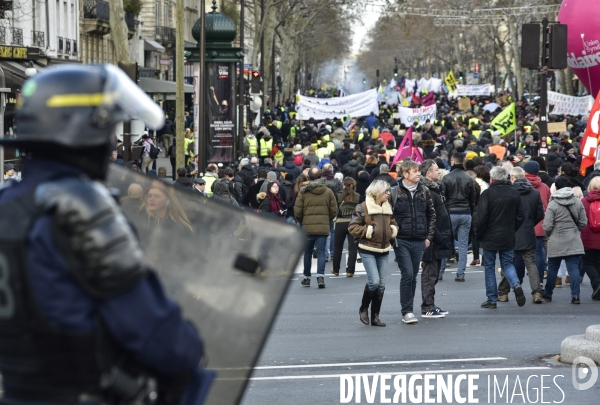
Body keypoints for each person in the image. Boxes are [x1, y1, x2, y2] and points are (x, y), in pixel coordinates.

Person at [0, 65, 204, 404]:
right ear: (86, 131)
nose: (111, 144)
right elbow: (163, 338)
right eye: (108, 130)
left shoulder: (8, 203)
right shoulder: (81, 208)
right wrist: (190, 341)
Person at [348, 180, 398, 327]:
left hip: (384, 249)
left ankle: (375, 316)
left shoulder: (387, 207)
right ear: (377, 192)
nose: (388, 194)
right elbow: (353, 227)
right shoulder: (363, 207)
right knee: (374, 282)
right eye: (386, 191)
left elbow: (393, 222)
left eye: (389, 191)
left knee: (381, 285)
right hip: (368, 248)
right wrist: (370, 231)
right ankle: (363, 308)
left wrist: (393, 230)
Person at [393, 160, 436, 324]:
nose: (419, 173)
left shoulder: (424, 191)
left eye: (419, 170)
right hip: (401, 239)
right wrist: (394, 234)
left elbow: (431, 215)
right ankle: (407, 311)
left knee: (413, 277)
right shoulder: (395, 192)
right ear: (405, 174)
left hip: (419, 240)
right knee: (408, 274)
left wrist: (428, 237)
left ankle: (408, 310)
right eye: (415, 171)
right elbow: (389, 215)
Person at [477, 166, 525, 309]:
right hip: (507, 234)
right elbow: (520, 215)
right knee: (508, 264)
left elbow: (481, 217)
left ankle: (491, 299)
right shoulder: (514, 193)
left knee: (490, 267)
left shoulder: (487, 194)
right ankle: (516, 283)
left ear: (492, 178)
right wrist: (512, 228)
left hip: (489, 235)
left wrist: (479, 234)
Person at [497, 167, 545, 304]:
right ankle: (537, 293)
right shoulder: (534, 193)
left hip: (511, 232)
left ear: (512, 177)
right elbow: (540, 214)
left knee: (508, 264)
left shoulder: (509, 192)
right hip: (528, 231)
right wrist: (529, 223)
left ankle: (503, 293)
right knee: (531, 264)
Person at [542, 176, 587, 304]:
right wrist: (575, 229)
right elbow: (583, 221)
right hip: (573, 239)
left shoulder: (553, 203)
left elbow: (547, 225)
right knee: (573, 268)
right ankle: (575, 296)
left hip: (556, 240)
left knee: (552, 269)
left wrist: (551, 234)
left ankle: (548, 293)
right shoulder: (577, 202)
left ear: (556, 187)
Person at [419, 160, 452, 318]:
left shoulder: (434, 189)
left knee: (434, 272)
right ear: (428, 173)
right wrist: (437, 236)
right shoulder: (427, 191)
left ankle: (430, 304)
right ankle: (427, 307)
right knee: (430, 273)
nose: (440, 172)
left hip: (437, 237)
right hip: (432, 238)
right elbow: (428, 217)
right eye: (436, 169)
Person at [294, 168, 337, 289]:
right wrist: (326, 220)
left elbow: (297, 211)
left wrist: (303, 221)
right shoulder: (328, 191)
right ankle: (320, 277)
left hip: (307, 227)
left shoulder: (303, 192)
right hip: (323, 226)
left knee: (307, 253)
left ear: (309, 178)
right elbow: (334, 210)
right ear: (321, 176)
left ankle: (307, 278)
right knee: (321, 252)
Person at [442, 152, 475, 282]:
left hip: (450, 212)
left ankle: (440, 271)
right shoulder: (469, 178)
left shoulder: (446, 178)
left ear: (453, 162)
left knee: (445, 242)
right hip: (465, 212)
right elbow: (472, 199)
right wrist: (470, 212)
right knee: (463, 245)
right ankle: (460, 273)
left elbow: (443, 198)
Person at [332, 177, 362, 277]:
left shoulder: (338, 195)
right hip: (353, 223)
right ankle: (350, 271)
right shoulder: (357, 196)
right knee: (352, 247)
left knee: (337, 247)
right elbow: (362, 210)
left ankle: (336, 269)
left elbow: (333, 208)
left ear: (343, 185)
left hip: (340, 223)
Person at [581, 176, 600, 300]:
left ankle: (597, 284)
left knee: (588, 263)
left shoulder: (584, 201)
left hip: (587, 238)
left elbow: (580, 220)